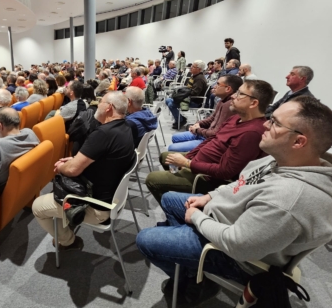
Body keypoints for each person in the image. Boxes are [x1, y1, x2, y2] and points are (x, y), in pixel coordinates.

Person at [137, 96, 332, 306]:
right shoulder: (279, 160)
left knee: (146, 240)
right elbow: (239, 182)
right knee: (168, 199)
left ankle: (192, 278)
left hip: (234, 256)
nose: (265, 124)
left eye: (275, 122)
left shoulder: (289, 199)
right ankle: (192, 269)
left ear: (299, 141)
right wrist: (210, 196)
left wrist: (198, 219)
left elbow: (237, 245)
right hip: (222, 217)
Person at [32, 91, 136, 250]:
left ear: (108, 107)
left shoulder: (103, 134)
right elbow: (98, 159)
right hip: (112, 197)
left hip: (97, 207)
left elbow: (72, 170)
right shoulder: (126, 127)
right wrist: (74, 161)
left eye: (101, 102)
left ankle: (68, 240)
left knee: (37, 206)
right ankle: (65, 224)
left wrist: (61, 167)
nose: (97, 105)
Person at [148, 79, 273, 202]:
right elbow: (212, 138)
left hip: (207, 178)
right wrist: (190, 157)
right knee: (165, 156)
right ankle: (176, 194)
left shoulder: (252, 133)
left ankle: (178, 208)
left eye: (240, 94)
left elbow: (225, 172)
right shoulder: (236, 118)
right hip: (198, 162)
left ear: (253, 103)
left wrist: (187, 164)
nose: (234, 96)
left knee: (152, 179)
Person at [168, 75, 243, 152]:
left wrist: (198, 130)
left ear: (228, 89)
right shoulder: (222, 100)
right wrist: (198, 124)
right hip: (206, 134)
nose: (214, 87)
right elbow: (212, 119)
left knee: (171, 148)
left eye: (218, 84)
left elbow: (216, 133)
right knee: (175, 137)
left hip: (210, 141)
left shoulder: (229, 105)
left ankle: (188, 158)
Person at [165, 60, 208, 128]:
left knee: (171, 104)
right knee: (168, 100)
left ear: (199, 69)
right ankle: (181, 119)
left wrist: (182, 94)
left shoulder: (199, 79)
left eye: (193, 67)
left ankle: (181, 120)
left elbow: (194, 93)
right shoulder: (194, 76)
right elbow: (188, 88)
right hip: (189, 98)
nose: (191, 67)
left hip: (194, 101)